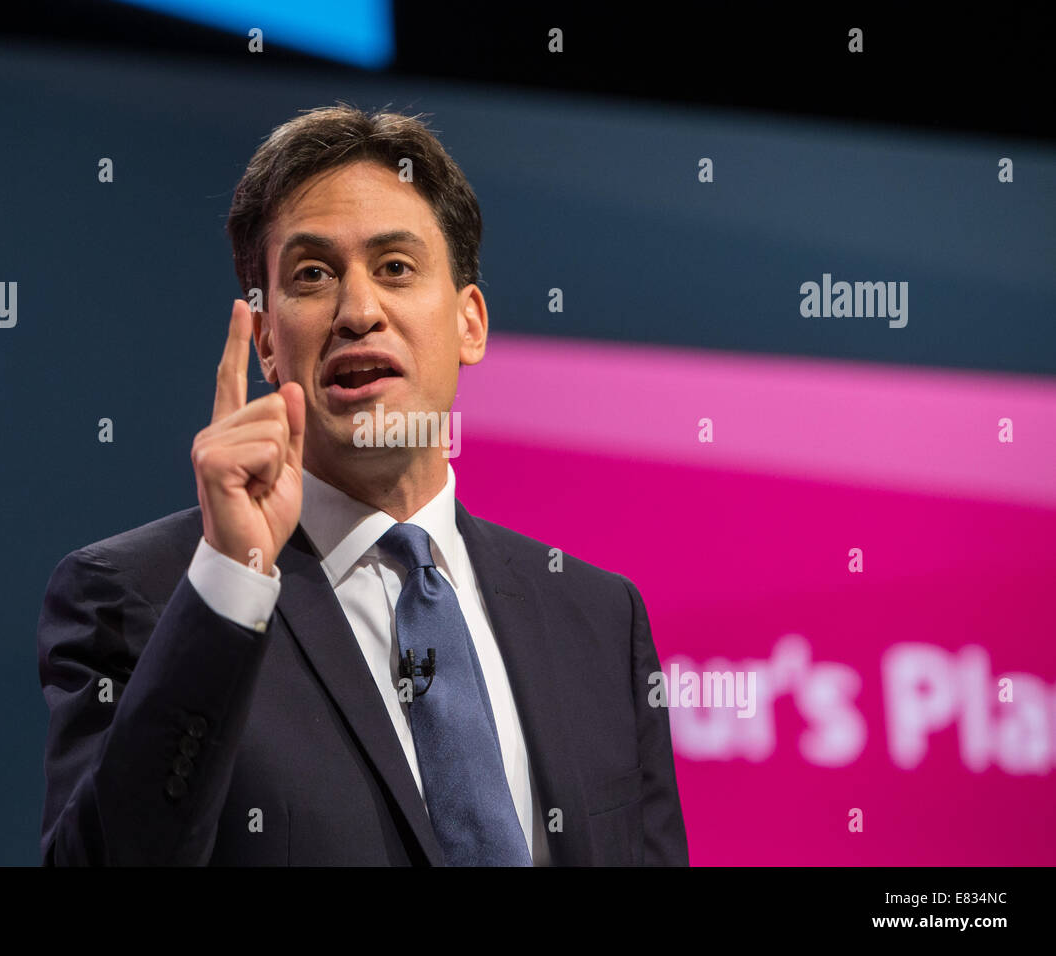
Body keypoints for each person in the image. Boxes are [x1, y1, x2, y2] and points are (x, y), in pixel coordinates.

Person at [37, 105, 688, 865]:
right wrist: (229, 586)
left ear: (469, 322)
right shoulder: (138, 596)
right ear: (269, 341)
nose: (358, 311)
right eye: (312, 275)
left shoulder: (600, 620)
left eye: (396, 268)